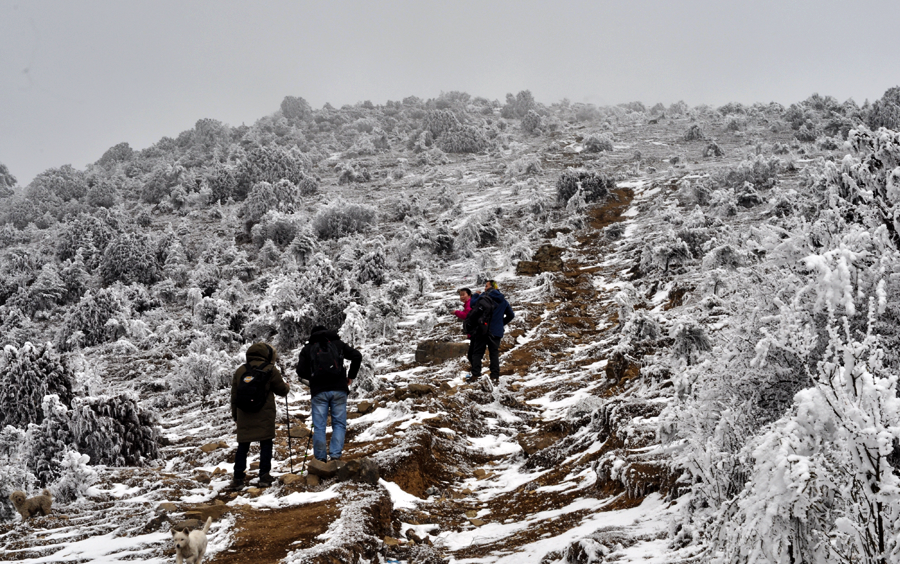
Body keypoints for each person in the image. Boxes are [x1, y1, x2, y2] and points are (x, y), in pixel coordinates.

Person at [296, 325, 363, 462]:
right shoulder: (338, 344)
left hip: (319, 392)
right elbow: (357, 356)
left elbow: (300, 372)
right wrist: (350, 375)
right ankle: (335, 456)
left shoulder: (308, 349)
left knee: (319, 426)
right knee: (339, 424)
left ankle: (320, 459)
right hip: (339, 389)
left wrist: (314, 377)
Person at [230, 342, 289, 489]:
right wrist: (287, 386)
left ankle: (238, 478)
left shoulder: (240, 370)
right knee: (266, 444)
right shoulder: (270, 369)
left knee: (243, 446)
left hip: (244, 414)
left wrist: (236, 416)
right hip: (264, 413)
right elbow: (282, 390)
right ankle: (264, 476)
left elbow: (234, 396)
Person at [467, 280, 514, 382]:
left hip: (482, 329)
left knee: (477, 353)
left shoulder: (484, 296)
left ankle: (476, 375)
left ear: (490, 287)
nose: (485, 288)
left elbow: (472, 304)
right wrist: (501, 323)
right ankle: (495, 376)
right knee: (494, 354)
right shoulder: (503, 300)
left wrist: (475, 295)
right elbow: (511, 315)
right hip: (496, 331)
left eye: (486, 286)